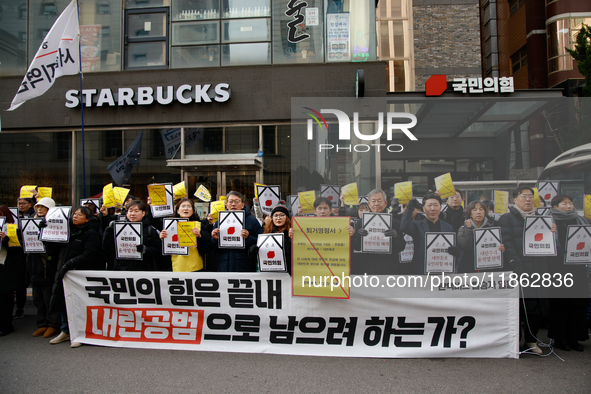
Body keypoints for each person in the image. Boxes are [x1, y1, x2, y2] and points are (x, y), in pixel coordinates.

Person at [497, 185, 554, 355]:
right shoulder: (506, 219)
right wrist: (516, 264)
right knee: (519, 307)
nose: (528, 199)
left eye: (530, 196)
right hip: (518, 269)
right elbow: (506, 242)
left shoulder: (542, 219)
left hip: (539, 269)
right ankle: (514, 341)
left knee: (536, 307)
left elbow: (552, 248)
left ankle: (531, 340)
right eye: (523, 196)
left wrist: (553, 235)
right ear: (515, 199)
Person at [47, 206, 103, 347]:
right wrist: (45, 233)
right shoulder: (68, 231)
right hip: (65, 272)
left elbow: (90, 254)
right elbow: (53, 249)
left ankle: (81, 333)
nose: (75, 216)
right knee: (65, 302)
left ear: (88, 219)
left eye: (79, 215)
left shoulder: (92, 233)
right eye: (74, 214)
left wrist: (70, 264)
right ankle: (65, 331)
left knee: (80, 305)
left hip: (79, 274)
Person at [547, 194, 589, 352]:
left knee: (577, 304)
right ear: (556, 207)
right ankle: (560, 338)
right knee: (561, 304)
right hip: (558, 268)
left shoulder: (580, 220)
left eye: (571, 203)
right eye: (565, 203)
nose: (569, 206)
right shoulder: (550, 221)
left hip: (577, 267)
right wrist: (549, 233)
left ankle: (574, 337)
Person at [400, 193, 460, 275]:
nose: (432, 209)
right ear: (424, 208)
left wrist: (456, 252)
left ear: (441, 208)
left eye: (436, 205)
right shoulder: (417, 225)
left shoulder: (448, 227)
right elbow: (404, 227)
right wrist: (410, 208)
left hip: (442, 272)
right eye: (429, 205)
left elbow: (454, 248)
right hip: (421, 272)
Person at [26, 197, 61, 338]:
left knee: (49, 299)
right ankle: (42, 324)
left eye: (43, 207)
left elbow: (56, 246)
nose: (39, 209)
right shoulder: (29, 222)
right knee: (38, 299)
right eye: (37, 207)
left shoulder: (55, 223)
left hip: (48, 266)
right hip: (34, 265)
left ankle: (53, 324)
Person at [351, 189, 404, 275]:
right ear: (369, 204)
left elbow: (401, 247)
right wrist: (359, 237)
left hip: (388, 269)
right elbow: (356, 247)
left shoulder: (395, 222)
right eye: (373, 201)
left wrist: (396, 237)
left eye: (379, 201)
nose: (376, 204)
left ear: (385, 203)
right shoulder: (361, 222)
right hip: (365, 268)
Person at [210, 191, 263, 272]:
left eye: (237, 201)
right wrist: (215, 239)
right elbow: (211, 248)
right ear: (227, 205)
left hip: (244, 265)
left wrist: (248, 238)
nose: (233, 204)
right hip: (224, 265)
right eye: (230, 201)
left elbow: (261, 243)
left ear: (242, 205)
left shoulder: (252, 221)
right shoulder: (219, 221)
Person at [103, 200, 161, 271]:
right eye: (130, 211)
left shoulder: (150, 230)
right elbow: (108, 249)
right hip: (121, 269)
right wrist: (109, 231)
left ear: (143, 213)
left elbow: (157, 251)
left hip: (143, 270)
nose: (132, 214)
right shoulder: (118, 228)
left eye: (136, 211)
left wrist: (145, 250)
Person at [159, 198, 211, 272]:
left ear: (193, 211)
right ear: (178, 211)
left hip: (196, 268)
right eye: (183, 206)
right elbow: (161, 251)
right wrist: (162, 239)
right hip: (175, 267)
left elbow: (206, 249)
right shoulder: (169, 226)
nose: (186, 208)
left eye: (189, 206)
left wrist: (200, 237)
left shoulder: (200, 226)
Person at [456, 200, 505, 273]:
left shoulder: (493, 227)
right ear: (470, 214)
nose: (478, 212)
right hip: (468, 268)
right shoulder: (463, 229)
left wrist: (502, 249)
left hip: (489, 268)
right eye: (475, 210)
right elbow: (465, 246)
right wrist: (468, 229)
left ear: (485, 212)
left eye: (481, 209)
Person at [250, 201, 293, 274]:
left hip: (288, 274)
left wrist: (291, 240)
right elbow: (259, 259)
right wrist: (253, 252)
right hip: (270, 274)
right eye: (276, 215)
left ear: (287, 218)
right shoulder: (266, 234)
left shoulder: (292, 233)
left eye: (282, 215)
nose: (278, 218)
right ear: (272, 218)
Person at [0, 206, 20, 336]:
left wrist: (5, 240)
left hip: (5, 267)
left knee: (4, 298)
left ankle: (6, 325)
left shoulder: (12, 229)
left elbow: (17, 250)